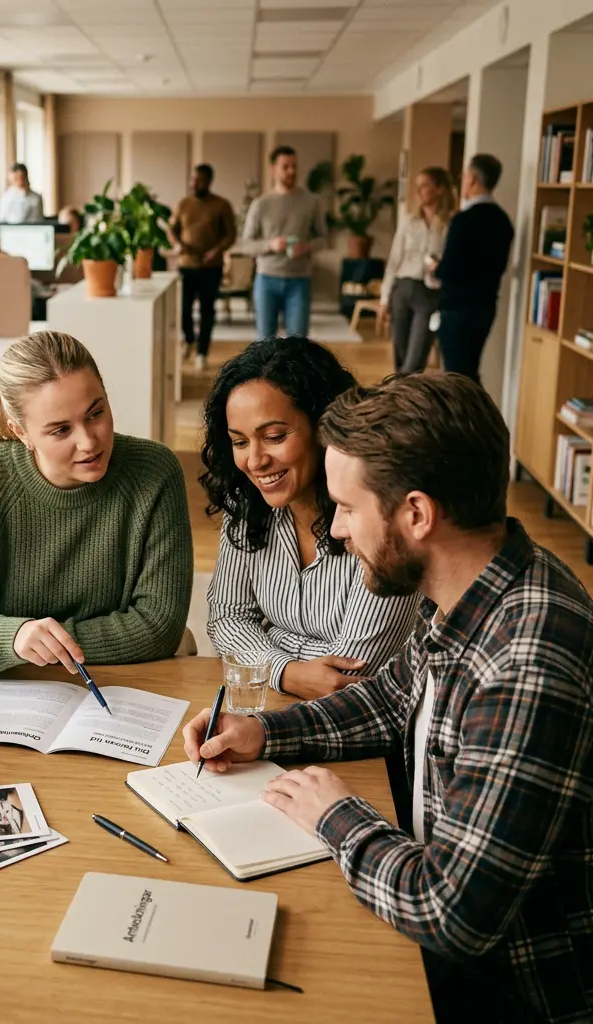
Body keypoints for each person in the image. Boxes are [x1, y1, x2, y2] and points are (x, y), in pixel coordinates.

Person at [182, 373, 593, 1024]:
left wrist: (335, 814)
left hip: (509, 992)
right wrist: (263, 733)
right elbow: (390, 697)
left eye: (347, 507)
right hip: (448, 945)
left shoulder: (525, 662)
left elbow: (450, 913)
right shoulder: (478, 582)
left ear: (417, 514)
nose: (337, 529)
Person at [0, 331, 193, 676]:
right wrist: (15, 637)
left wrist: (45, 645)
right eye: (60, 430)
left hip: (118, 683)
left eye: (96, 414)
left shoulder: (154, 471)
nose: (89, 442)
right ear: (21, 432)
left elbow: (158, 627)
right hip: (6, 689)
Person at [203, 337, 419, 701]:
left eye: (274, 436)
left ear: (324, 428)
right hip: (274, 706)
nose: (255, 461)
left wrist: (266, 646)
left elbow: (354, 669)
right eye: (239, 442)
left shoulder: (377, 515)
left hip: (367, 726)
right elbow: (225, 618)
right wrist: (287, 672)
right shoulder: (248, 505)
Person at [431, 153, 515, 384]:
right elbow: (500, 266)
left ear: (473, 181)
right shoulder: (503, 221)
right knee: (469, 371)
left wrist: (434, 267)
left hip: (457, 308)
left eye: (465, 176)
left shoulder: (463, 221)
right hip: (485, 306)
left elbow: (448, 269)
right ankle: (475, 417)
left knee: (455, 376)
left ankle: (460, 419)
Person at [242, 145, 327, 341]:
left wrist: (307, 247)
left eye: (294, 166)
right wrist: (270, 245)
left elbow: (323, 239)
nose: (292, 171)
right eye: (286, 167)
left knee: (298, 344)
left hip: (300, 281)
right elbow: (246, 244)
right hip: (266, 280)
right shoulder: (261, 203)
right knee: (265, 343)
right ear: (273, 169)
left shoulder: (311, 201)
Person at [379, 167, 455, 374]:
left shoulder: (451, 222)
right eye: (417, 186)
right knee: (400, 356)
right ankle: (400, 401)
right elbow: (394, 260)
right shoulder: (408, 220)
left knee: (415, 360)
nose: (419, 191)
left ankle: (403, 400)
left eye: (425, 185)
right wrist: (385, 298)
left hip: (430, 293)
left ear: (439, 189)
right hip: (402, 288)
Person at [171, 164, 237, 372]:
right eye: (192, 179)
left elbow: (230, 234)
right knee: (184, 310)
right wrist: (178, 244)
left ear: (208, 181)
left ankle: (202, 352)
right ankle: (189, 339)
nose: (194, 183)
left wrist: (217, 250)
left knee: (208, 311)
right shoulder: (183, 204)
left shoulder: (221, 205)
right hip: (187, 266)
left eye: (198, 180)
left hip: (211, 268)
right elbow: (172, 229)